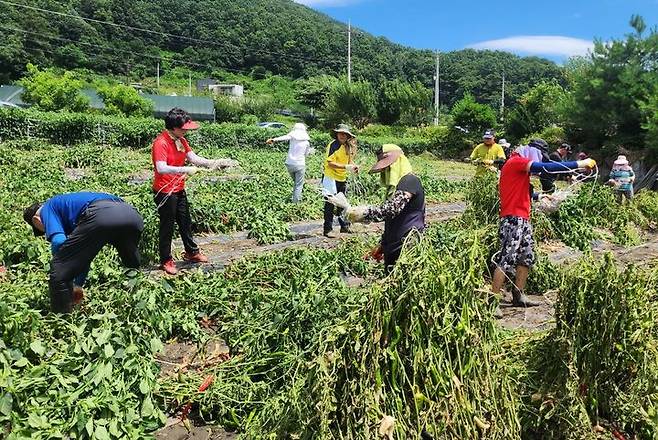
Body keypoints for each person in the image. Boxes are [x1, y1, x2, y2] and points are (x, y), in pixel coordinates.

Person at [492, 150, 596, 314]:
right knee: (506, 259)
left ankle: (518, 295)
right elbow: (546, 168)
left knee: (526, 257)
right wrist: (580, 164)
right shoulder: (515, 161)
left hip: (522, 218)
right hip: (513, 219)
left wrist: (540, 196)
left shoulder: (515, 168)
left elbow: (523, 192)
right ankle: (493, 301)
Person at [23, 192, 144, 313]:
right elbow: (82, 256)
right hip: (132, 215)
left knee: (59, 269)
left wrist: (61, 261)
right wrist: (78, 285)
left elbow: (59, 242)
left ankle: (61, 321)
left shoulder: (47, 209)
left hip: (101, 215)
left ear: (36, 220)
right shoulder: (67, 205)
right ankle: (137, 305)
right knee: (131, 263)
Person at [152, 107, 238, 275]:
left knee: (185, 222)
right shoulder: (161, 142)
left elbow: (193, 158)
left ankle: (192, 252)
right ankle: (166, 260)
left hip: (178, 188)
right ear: (174, 127)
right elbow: (161, 168)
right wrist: (185, 169)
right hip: (165, 191)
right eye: (184, 128)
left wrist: (213, 162)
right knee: (167, 226)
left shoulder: (181, 140)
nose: (186, 131)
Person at [326, 144, 425, 272]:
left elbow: (392, 209)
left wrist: (364, 213)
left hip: (408, 242)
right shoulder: (394, 188)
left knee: (405, 278)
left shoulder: (409, 181)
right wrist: (383, 245)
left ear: (398, 163)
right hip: (394, 243)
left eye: (388, 168)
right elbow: (392, 219)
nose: (385, 173)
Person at [322, 124, 359, 238]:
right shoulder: (333, 145)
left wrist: (353, 167)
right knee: (330, 204)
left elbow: (350, 161)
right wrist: (345, 167)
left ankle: (344, 226)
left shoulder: (348, 146)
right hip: (330, 178)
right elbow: (330, 163)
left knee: (343, 204)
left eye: (345, 134)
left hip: (341, 178)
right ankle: (327, 230)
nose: (342, 135)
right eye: (340, 133)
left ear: (348, 136)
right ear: (337, 134)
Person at [266, 123, 313, 203]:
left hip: (289, 164)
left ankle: (298, 196)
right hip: (300, 165)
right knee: (298, 185)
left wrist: (273, 140)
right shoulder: (306, 143)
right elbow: (306, 154)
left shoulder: (292, 138)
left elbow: (284, 137)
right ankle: (295, 203)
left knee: (296, 183)